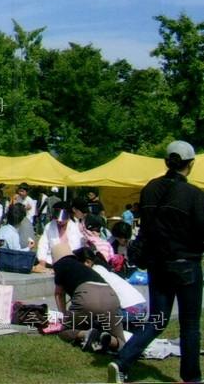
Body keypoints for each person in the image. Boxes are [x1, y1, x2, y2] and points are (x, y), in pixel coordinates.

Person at [110, 140, 204, 384]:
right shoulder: (194, 195)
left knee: (157, 320)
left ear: (166, 161)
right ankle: (191, 378)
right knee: (190, 325)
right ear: (191, 164)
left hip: (157, 264)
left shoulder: (150, 189)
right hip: (186, 264)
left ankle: (121, 363)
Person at [51, 240, 124, 354]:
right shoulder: (82, 266)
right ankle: (108, 339)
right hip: (111, 296)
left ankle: (86, 334)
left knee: (65, 331)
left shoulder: (60, 265)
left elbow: (59, 294)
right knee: (121, 341)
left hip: (87, 297)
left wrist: (64, 315)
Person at [36, 201, 83, 267]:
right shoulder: (49, 226)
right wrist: (42, 260)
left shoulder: (75, 228)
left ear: (68, 216)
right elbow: (43, 244)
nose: (59, 221)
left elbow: (76, 247)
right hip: (51, 261)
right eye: (57, 218)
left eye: (62, 219)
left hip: (70, 262)